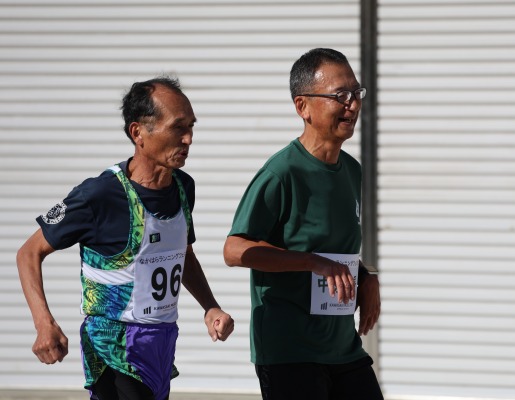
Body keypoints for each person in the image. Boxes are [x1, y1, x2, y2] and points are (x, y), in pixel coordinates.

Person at [16, 76, 234, 400]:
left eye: (191, 127)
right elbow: (29, 252)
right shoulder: (100, 194)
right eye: (178, 128)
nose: (189, 138)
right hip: (112, 346)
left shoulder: (183, 187)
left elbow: (181, 254)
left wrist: (210, 307)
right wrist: (43, 323)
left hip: (161, 342)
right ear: (138, 133)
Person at [223, 48, 383, 400]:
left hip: (342, 346)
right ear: (303, 107)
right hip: (290, 351)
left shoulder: (351, 170)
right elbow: (234, 250)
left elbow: (333, 251)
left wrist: (367, 274)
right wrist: (310, 262)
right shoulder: (283, 172)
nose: (352, 105)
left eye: (356, 94)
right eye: (340, 95)